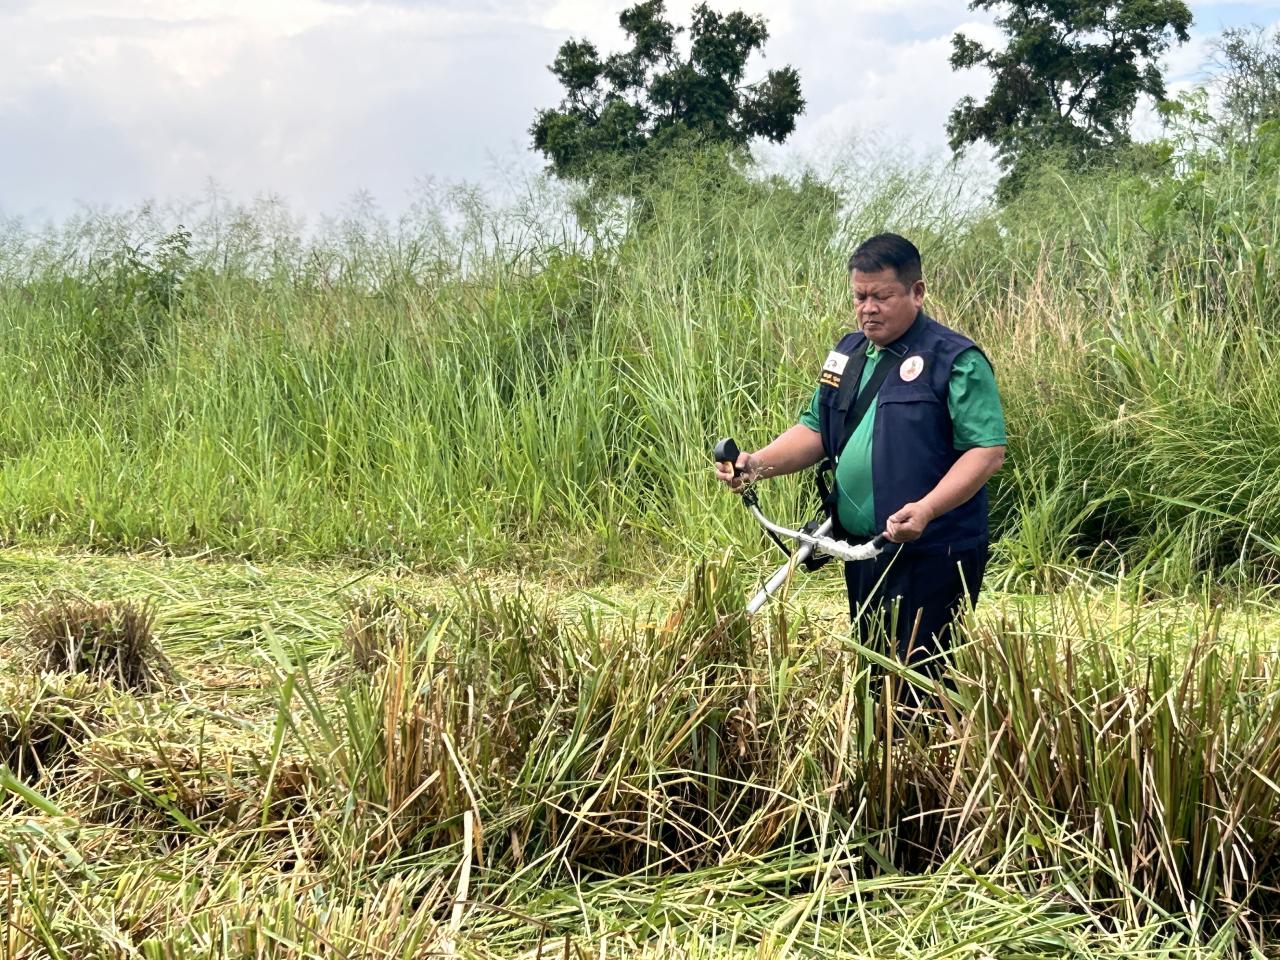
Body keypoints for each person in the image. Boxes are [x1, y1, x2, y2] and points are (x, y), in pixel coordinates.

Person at [715, 233, 1006, 675]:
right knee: (874, 672)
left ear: (917, 292)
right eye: (860, 296)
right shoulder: (847, 354)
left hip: (932, 549)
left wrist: (926, 509)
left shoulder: (956, 360)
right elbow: (815, 430)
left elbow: (986, 451)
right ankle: (881, 744)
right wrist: (756, 465)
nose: (868, 308)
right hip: (863, 549)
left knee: (920, 678)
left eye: (882, 296)